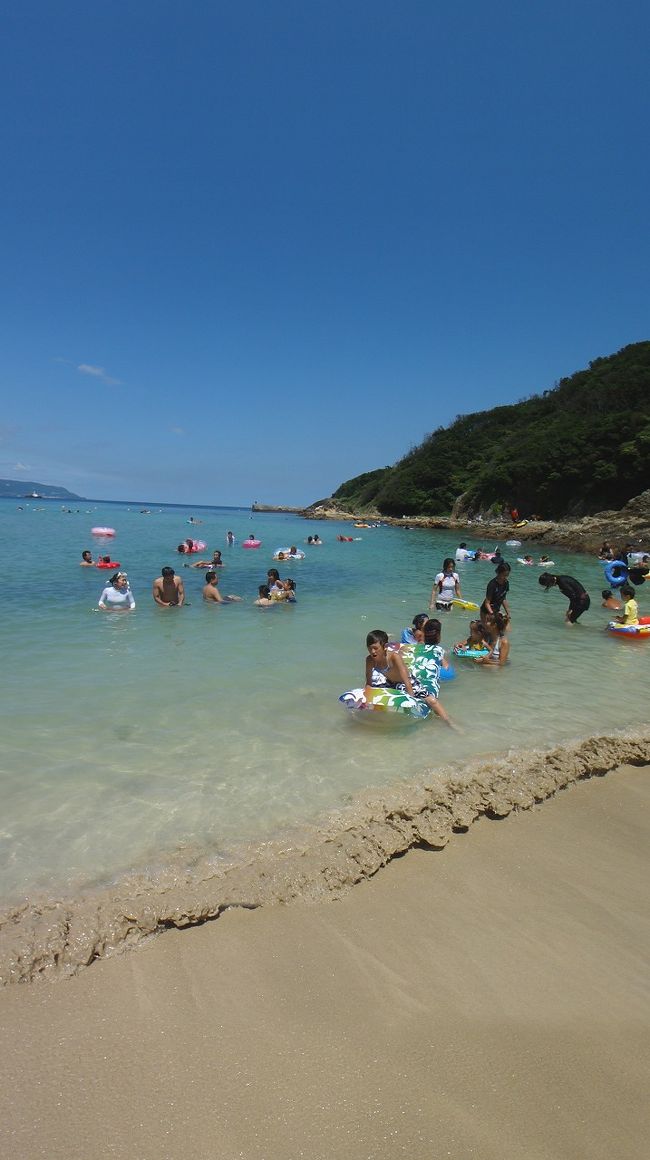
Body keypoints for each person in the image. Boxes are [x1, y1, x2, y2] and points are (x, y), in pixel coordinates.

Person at [402, 620, 454, 725]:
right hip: (426, 690)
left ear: (423, 634)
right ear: (438, 636)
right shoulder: (439, 650)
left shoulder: (413, 647)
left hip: (408, 683)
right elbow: (447, 668)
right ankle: (450, 724)